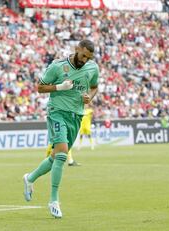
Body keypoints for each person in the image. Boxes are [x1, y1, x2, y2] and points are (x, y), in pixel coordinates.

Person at [22, 40, 99, 218]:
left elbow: (94, 87)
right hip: (57, 112)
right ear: (77, 49)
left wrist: (90, 97)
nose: (85, 60)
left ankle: (30, 178)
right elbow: (40, 87)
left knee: (57, 156)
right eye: (83, 55)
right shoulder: (58, 66)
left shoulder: (92, 68)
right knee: (63, 154)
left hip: (76, 115)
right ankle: (54, 200)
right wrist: (59, 87)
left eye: (88, 57)